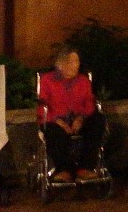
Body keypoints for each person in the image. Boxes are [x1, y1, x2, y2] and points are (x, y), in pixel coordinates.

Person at [37, 45, 105, 184]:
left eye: (76, 61)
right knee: (53, 131)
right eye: (70, 61)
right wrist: (59, 122)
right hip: (55, 120)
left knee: (98, 120)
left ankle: (85, 167)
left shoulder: (83, 81)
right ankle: (64, 170)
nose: (75, 65)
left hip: (78, 117)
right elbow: (42, 105)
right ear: (60, 64)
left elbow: (89, 103)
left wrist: (81, 118)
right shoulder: (47, 80)